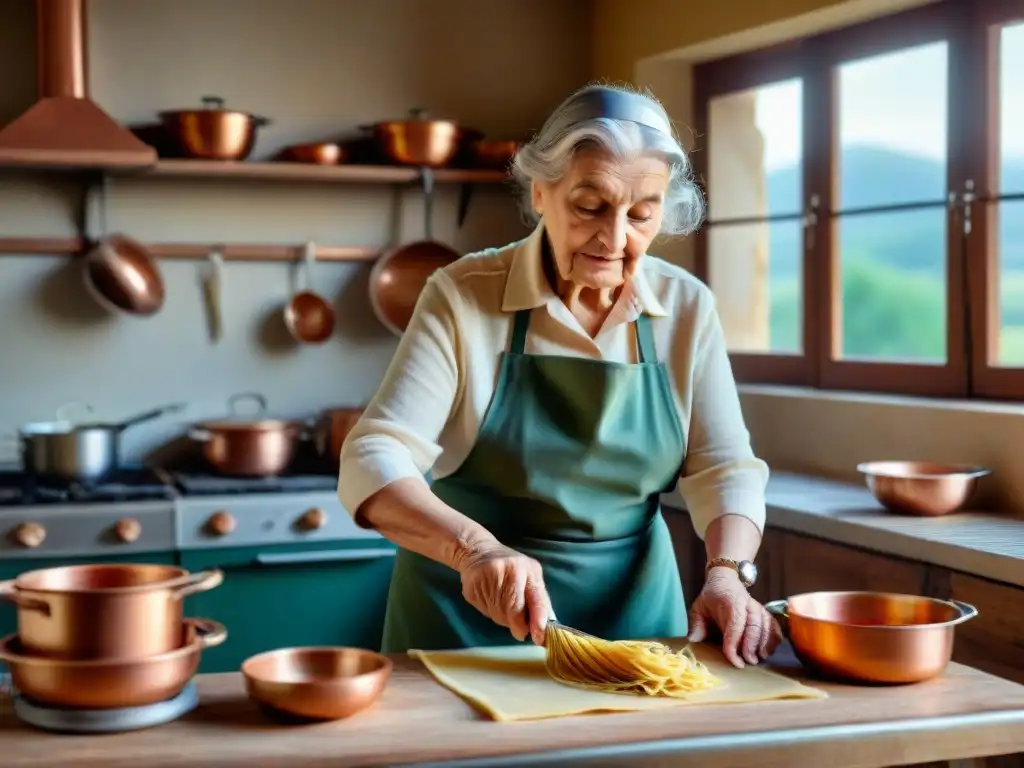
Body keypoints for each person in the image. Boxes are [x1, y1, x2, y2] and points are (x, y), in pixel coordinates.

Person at [338, 83, 781, 668]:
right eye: (590, 206)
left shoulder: (687, 306)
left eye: (641, 215)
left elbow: (724, 468)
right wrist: (475, 551)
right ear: (541, 192)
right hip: (466, 622)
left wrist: (727, 575)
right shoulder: (462, 295)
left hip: (636, 626)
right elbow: (374, 454)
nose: (614, 238)